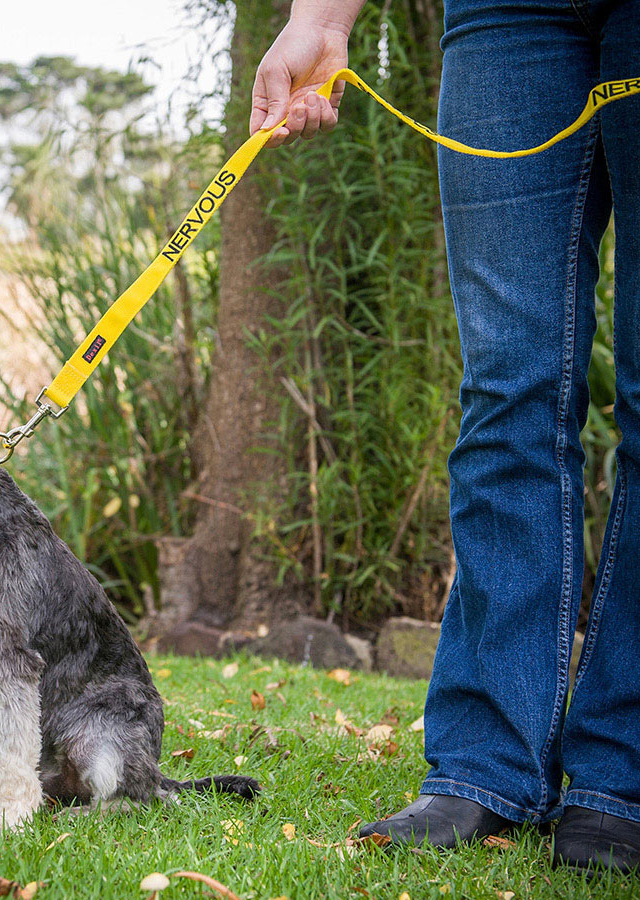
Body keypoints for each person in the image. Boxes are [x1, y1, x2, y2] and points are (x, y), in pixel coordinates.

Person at [251, 0, 640, 874]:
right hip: (508, 14)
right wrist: (321, 18)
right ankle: (486, 765)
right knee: (508, 392)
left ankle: (624, 777)